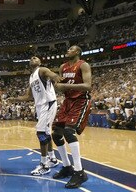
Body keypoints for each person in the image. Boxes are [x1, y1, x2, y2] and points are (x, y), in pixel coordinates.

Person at [9, 56, 63, 176]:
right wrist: (15, 99)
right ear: (29, 63)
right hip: (40, 106)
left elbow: (50, 73)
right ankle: (53, 159)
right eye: (32, 58)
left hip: (48, 103)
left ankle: (44, 165)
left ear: (39, 62)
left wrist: (55, 77)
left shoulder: (42, 70)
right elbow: (29, 97)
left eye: (36, 58)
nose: (33, 57)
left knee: (41, 133)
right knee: (46, 133)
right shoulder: (31, 77)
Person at [52, 45, 92, 189]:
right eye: (67, 49)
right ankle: (67, 166)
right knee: (56, 134)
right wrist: (58, 85)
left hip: (81, 100)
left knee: (69, 132)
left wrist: (67, 87)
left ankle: (79, 171)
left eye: (71, 49)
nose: (68, 50)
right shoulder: (63, 66)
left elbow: (88, 85)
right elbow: (58, 84)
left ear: (77, 52)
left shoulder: (83, 65)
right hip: (67, 101)